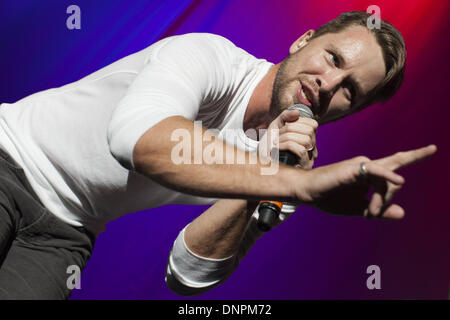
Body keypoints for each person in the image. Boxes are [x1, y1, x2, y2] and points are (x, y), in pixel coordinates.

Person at [0, 11, 435, 299]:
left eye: (350, 91)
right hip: (10, 159)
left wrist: (266, 177)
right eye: (333, 57)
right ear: (304, 39)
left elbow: (187, 277)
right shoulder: (211, 59)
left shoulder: (287, 164)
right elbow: (135, 139)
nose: (329, 82)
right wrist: (291, 184)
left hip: (67, 234)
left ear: (350, 112)